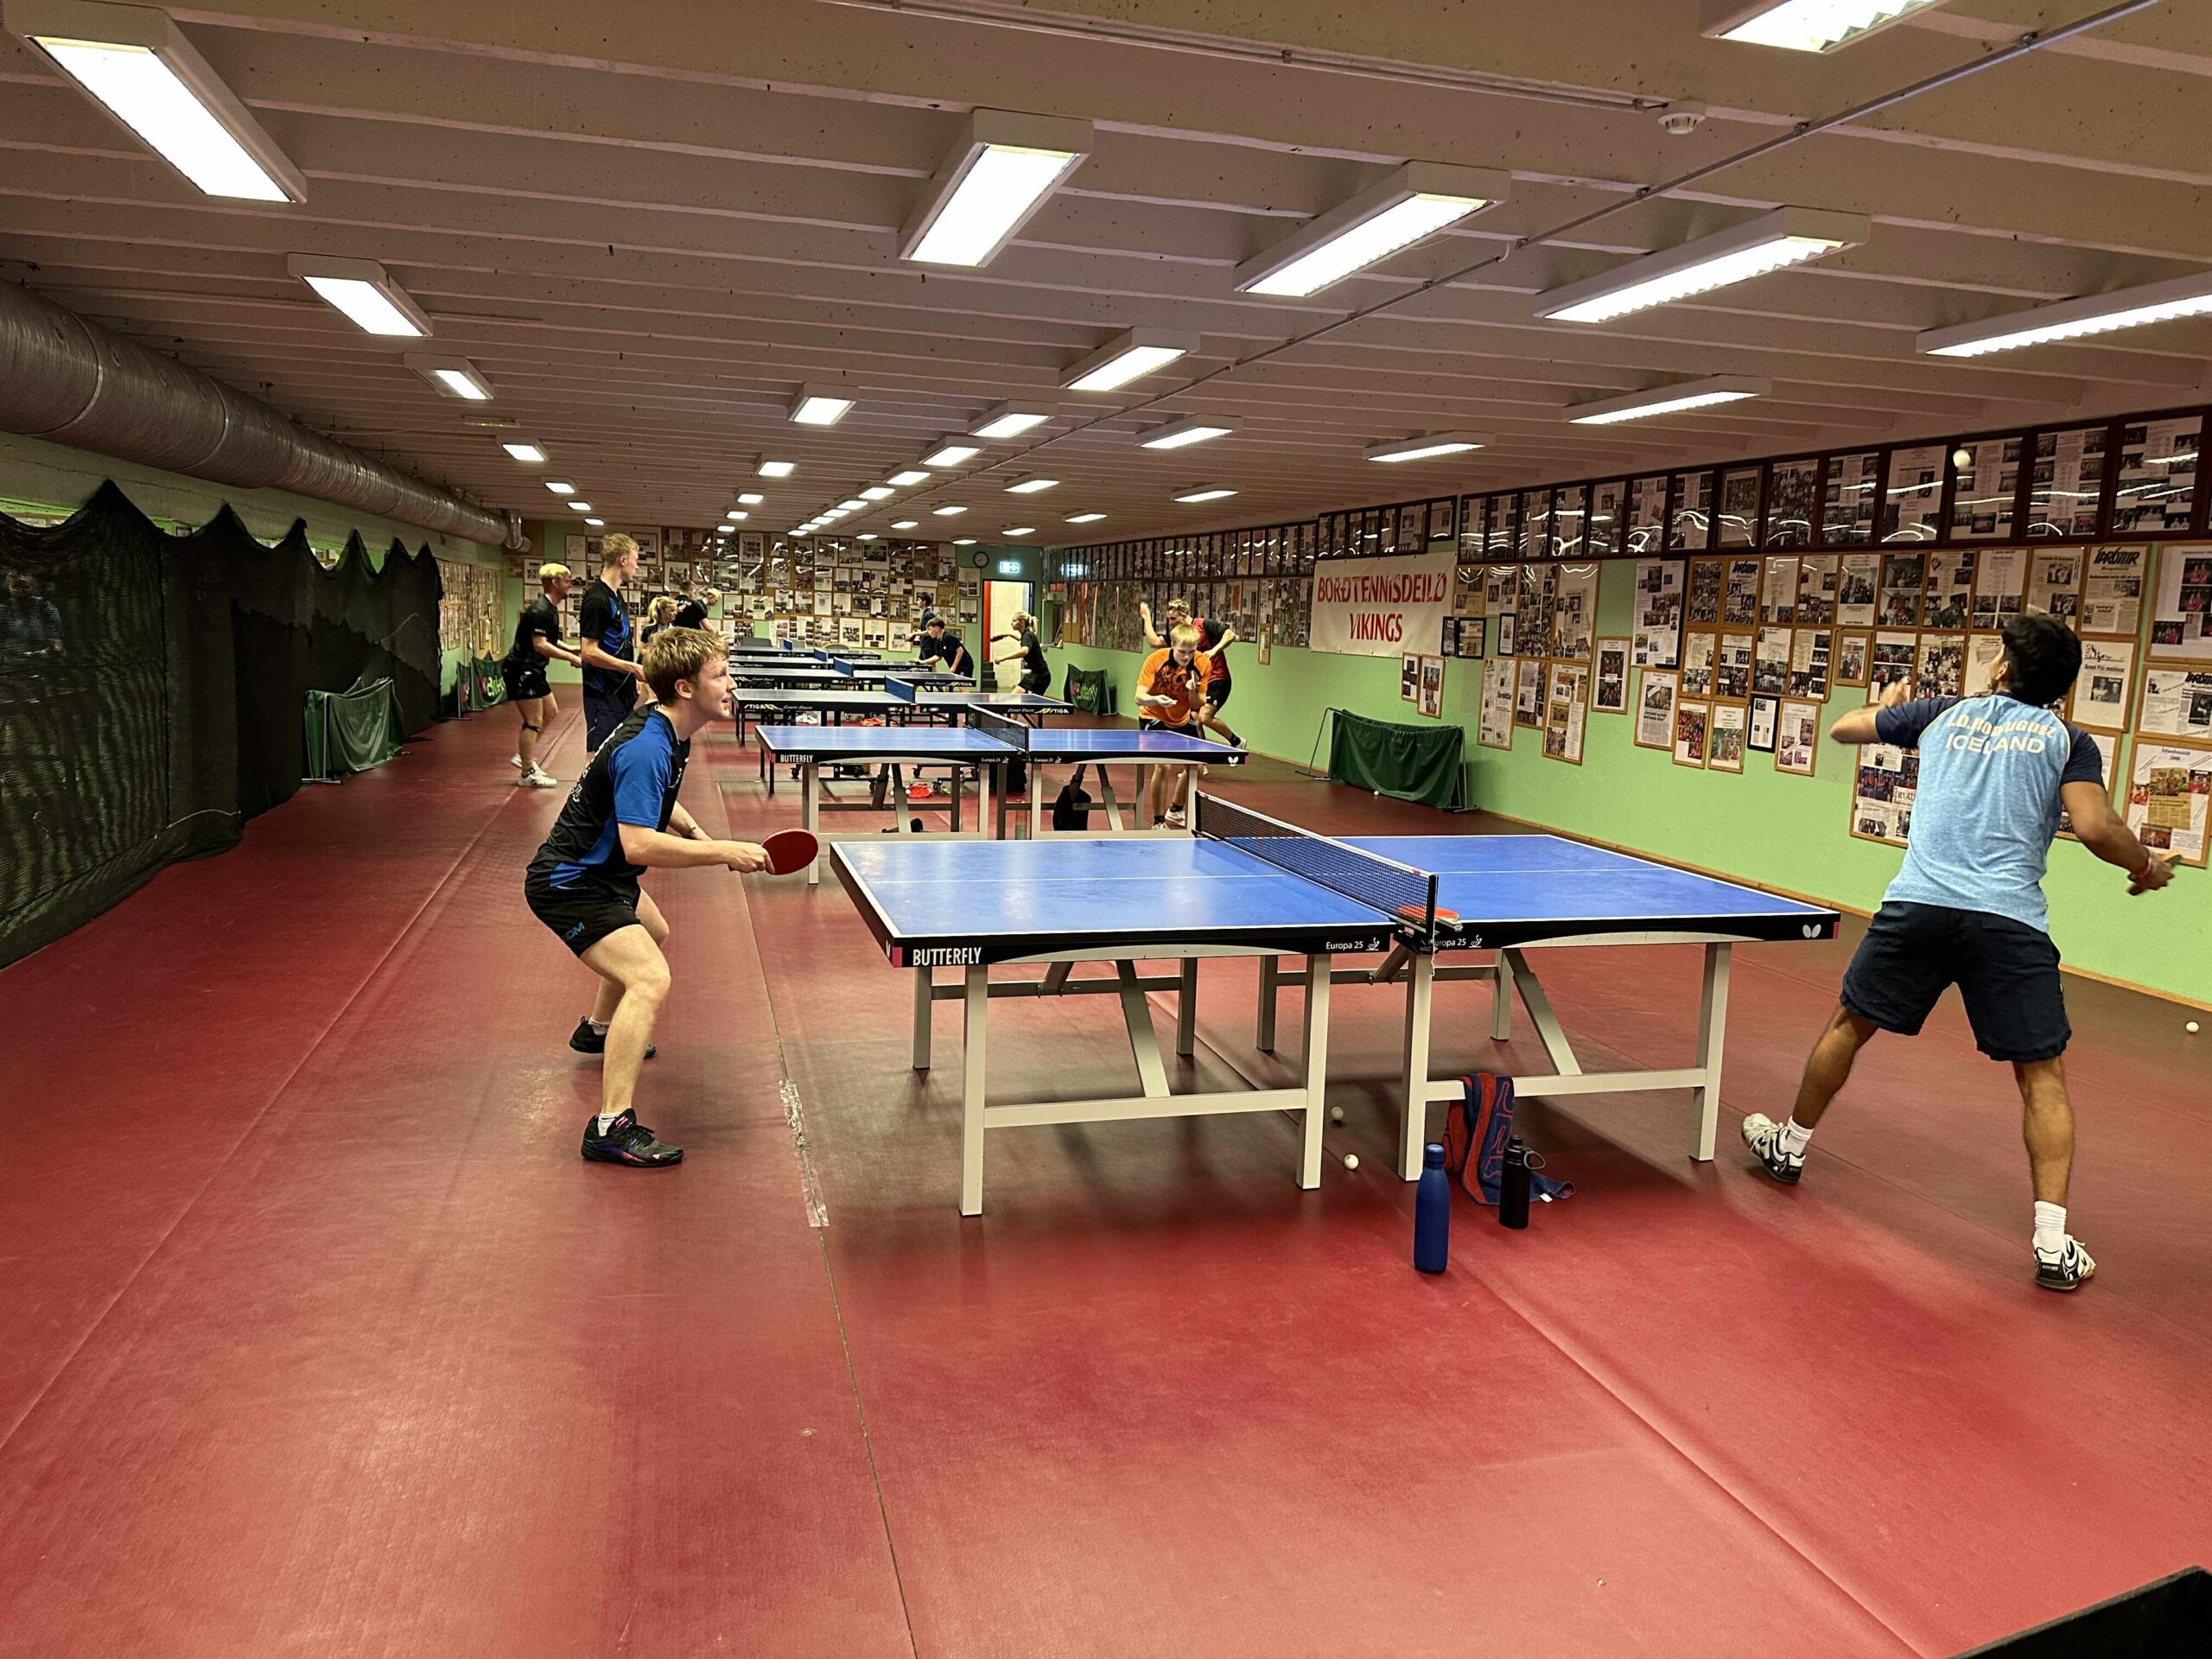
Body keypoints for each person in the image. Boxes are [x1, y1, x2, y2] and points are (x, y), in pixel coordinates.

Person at [1740, 615, 2176, 1292]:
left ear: (2003, 669)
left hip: (1919, 906)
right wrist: (2146, 866)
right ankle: (2052, 1245)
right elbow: (2094, 825)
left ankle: (1789, 1147)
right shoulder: (2068, 740)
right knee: (2042, 1076)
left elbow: (1845, 729)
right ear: (2061, 688)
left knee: (1849, 1025)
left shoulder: (1941, 712)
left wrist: (1887, 706)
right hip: (2007, 921)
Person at [524, 628, 770, 1167]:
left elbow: (659, 799)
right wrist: (724, 851)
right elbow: (639, 843)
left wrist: (700, 835)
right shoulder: (647, 747)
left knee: (654, 931)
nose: (732, 684)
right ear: (685, 688)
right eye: (721, 676)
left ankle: (598, 1031)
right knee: (649, 978)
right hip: (571, 882)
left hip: (604, 875)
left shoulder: (669, 731)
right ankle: (610, 1127)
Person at [503, 562, 583, 789]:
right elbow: (540, 645)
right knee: (534, 720)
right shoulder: (540, 610)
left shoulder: (550, 608)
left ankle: (524, 756)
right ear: (555, 582)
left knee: (551, 711)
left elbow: (550, 640)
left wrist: (570, 648)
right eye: (566, 580)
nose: (570, 584)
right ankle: (526, 772)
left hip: (535, 670)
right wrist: (569, 658)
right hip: (522, 670)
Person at [1134, 623, 1212, 829]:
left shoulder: (1202, 663)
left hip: (1182, 719)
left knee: (1198, 768)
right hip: (1153, 716)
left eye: (1191, 652)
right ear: (1173, 645)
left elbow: (1198, 703)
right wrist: (1156, 700)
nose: (1186, 657)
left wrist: (1192, 690)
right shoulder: (1155, 659)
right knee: (1164, 766)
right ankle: (1158, 822)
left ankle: (1176, 809)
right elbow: (1139, 697)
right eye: (1182, 651)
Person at [577, 534, 648, 751]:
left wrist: (629, 678)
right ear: (623, 560)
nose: (637, 567)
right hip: (603, 694)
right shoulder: (597, 599)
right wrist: (632, 668)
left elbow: (617, 642)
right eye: (635, 560)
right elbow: (589, 652)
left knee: (619, 749)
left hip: (621, 690)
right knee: (599, 753)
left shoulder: (615, 595)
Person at [1141, 596, 1241, 747]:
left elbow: (1230, 635)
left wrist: (1213, 651)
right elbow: (1154, 641)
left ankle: (1237, 742)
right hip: (1198, 684)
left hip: (1218, 680)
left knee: (1205, 716)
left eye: (1173, 618)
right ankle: (1199, 757)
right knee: (1195, 720)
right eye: (1169, 619)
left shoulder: (1204, 624)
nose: (1171, 622)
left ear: (1184, 615)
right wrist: (1146, 617)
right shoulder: (1179, 636)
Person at [989, 610, 1052, 696]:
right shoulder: (1027, 635)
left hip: (1039, 676)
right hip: (1038, 674)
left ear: (1022, 622)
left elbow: (1024, 651)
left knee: (1014, 698)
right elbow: (1021, 640)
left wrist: (1003, 658)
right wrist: (1007, 634)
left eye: (1014, 621)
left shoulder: (1027, 636)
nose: (1011, 623)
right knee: (1023, 700)